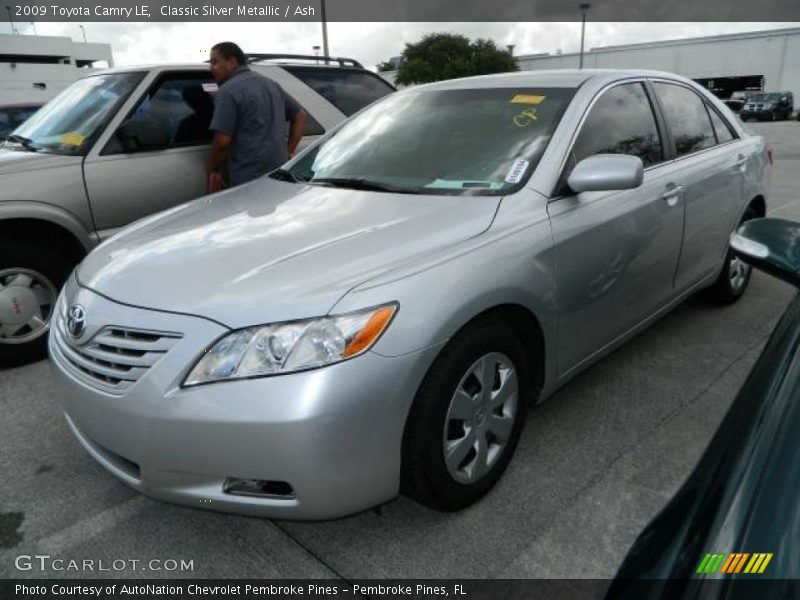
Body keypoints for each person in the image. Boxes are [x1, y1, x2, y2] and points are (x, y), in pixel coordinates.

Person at [207, 41, 306, 192]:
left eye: (215, 62)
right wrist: (288, 152)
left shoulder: (227, 91)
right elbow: (300, 116)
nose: (211, 68)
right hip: (278, 175)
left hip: (247, 181)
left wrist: (210, 170)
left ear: (232, 61)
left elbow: (222, 142)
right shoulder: (271, 84)